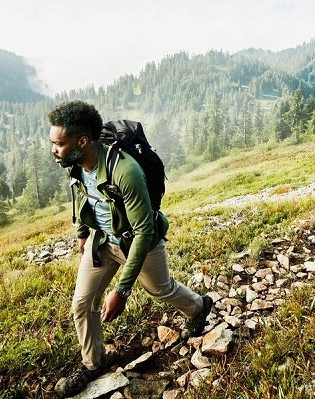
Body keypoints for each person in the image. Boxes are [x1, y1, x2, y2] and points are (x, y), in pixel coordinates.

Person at [47, 100, 213, 397]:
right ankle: (93, 364)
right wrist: (83, 232)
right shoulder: (74, 162)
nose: (54, 149)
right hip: (102, 242)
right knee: (82, 305)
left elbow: (144, 230)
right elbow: (82, 195)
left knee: (160, 289)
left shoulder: (125, 171)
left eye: (59, 144)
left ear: (82, 142)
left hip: (139, 242)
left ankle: (200, 307)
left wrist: (122, 291)